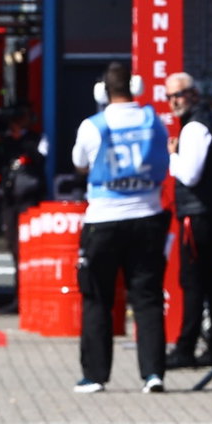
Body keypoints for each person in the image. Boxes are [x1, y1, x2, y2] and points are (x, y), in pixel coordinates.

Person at [70, 62, 170, 394]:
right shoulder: (153, 121)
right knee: (148, 297)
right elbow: (164, 160)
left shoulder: (92, 125)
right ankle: (153, 373)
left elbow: (79, 164)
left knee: (97, 297)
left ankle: (95, 376)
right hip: (148, 215)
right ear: (136, 86)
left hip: (104, 219)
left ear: (102, 91)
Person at [163, 73, 212, 369]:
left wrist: (172, 156)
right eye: (170, 96)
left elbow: (190, 174)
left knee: (194, 282)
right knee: (210, 281)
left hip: (199, 213)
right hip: (209, 210)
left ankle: (187, 347)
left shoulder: (195, 126)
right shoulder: (206, 121)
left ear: (193, 94)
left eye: (178, 95)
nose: (174, 101)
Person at [0, 102, 46, 314]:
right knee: (14, 249)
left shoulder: (35, 139)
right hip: (10, 201)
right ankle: (19, 297)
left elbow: (41, 162)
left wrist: (25, 144)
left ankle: (32, 298)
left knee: (30, 251)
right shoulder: (4, 142)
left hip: (30, 200)